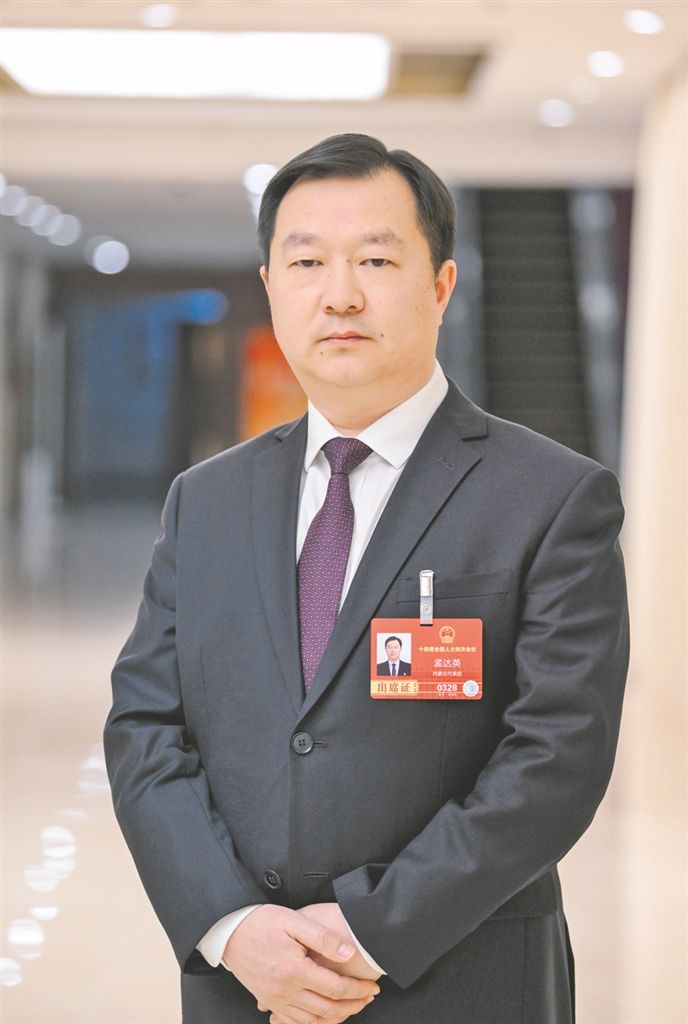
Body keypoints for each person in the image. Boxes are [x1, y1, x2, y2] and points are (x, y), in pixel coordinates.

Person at [104, 133, 629, 1024]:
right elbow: (144, 727)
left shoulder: (550, 496)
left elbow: (557, 757)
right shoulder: (207, 500)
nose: (339, 293)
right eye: (306, 261)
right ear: (272, 285)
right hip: (247, 985)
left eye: (376, 260)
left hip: (462, 978)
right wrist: (231, 924)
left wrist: (371, 931)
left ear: (441, 285)